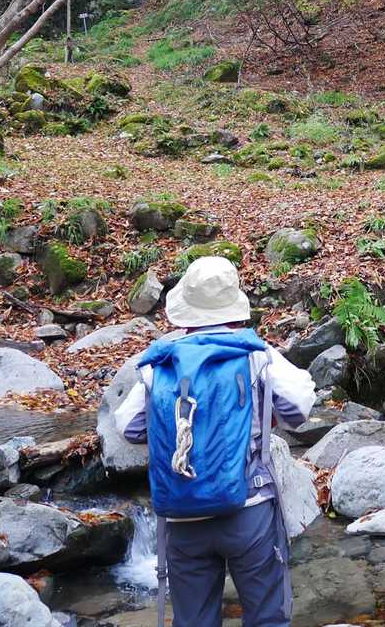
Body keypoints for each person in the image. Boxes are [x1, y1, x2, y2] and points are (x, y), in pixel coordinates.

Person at [113, 256, 315, 627]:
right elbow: (299, 405)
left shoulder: (161, 363)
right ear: (234, 308)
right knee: (268, 619)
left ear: (185, 312)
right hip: (249, 508)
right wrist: (265, 416)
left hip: (183, 512)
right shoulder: (255, 354)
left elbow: (128, 426)